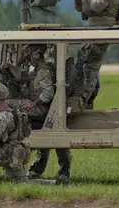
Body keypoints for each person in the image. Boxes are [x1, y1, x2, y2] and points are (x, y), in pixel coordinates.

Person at [4, 44, 72, 184]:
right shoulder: (38, 70)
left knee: (8, 104)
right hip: (46, 108)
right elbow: (24, 77)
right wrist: (11, 67)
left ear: (36, 55)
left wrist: (33, 103)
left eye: (29, 57)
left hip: (43, 110)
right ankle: (38, 169)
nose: (28, 61)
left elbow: (48, 92)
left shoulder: (43, 72)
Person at [73, 0, 119, 110]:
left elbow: (97, 6)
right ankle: (85, 102)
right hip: (93, 29)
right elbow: (83, 9)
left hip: (102, 29)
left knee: (90, 66)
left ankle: (82, 103)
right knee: (82, 65)